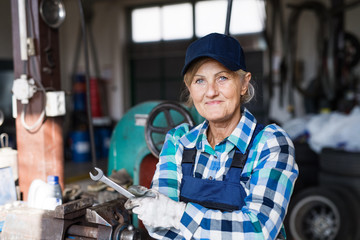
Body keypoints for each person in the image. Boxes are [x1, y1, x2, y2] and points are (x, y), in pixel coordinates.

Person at [125, 32, 298, 240]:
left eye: (222, 78)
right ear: (190, 88)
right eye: (200, 81)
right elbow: (159, 227)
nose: (211, 92)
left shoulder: (270, 143)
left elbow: (259, 230)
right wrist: (166, 216)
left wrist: (175, 214)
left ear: (243, 84)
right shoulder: (178, 142)